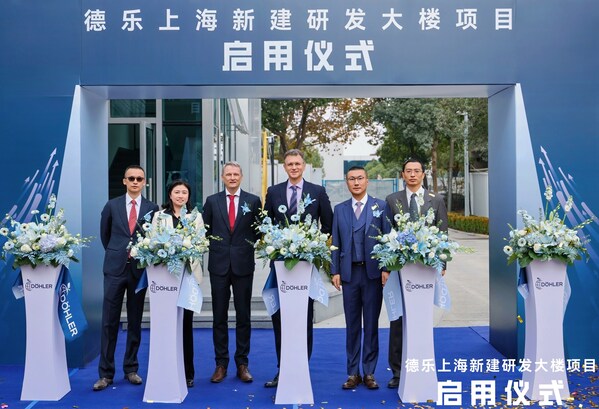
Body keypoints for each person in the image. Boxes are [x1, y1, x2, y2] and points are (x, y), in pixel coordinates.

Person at [263, 149, 333, 388]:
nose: (294, 167)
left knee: (304, 317)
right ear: (284, 167)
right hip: (281, 266)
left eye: (297, 163)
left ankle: (302, 366)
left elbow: (328, 225)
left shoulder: (317, 191)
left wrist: (314, 245)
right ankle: (282, 368)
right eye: (289, 164)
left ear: (303, 166)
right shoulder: (273, 192)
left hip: (306, 266)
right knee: (280, 318)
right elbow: (266, 225)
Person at [383, 158, 448, 389]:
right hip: (400, 270)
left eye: (416, 171)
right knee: (398, 318)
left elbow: (442, 233)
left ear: (423, 174)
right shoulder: (392, 200)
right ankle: (398, 371)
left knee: (421, 317)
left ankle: (422, 365)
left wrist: (442, 264)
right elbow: (386, 235)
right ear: (402, 175)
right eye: (408, 171)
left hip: (426, 269)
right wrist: (386, 267)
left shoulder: (436, 199)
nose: (412, 174)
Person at [94, 165, 159, 391]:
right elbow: (105, 235)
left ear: (144, 182)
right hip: (114, 269)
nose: (135, 182)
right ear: (124, 181)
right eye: (131, 178)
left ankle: (131, 368)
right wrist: (117, 252)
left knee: (135, 320)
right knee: (109, 321)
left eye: (139, 178)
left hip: (138, 270)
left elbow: (153, 236)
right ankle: (105, 373)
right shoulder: (111, 205)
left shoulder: (152, 208)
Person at [202, 162, 262, 384]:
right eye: (228, 174)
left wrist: (243, 246)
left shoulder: (253, 201)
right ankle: (221, 364)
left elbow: (258, 230)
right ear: (222, 177)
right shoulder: (212, 201)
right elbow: (205, 230)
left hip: (243, 264)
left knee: (243, 316)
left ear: (241, 176)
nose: (232, 177)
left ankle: (242, 364)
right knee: (219, 316)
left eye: (236, 174)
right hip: (218, 265)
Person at [331, 166, 386, 390]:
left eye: (360, 178)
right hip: (349, 274)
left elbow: (386, 238)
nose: (356, 182)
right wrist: (334, 270)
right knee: (352, 324)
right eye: (352, 179)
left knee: (371, 324)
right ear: (347, 182)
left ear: (367, 181)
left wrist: (386, 268)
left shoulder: (380, 206)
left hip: (372, 274)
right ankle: (353, 372)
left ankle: (369, 372)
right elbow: (335, 242)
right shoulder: (340, 209)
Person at [151, 180, 203, 388]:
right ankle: (165, 369)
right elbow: (153, 242)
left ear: (188, 196)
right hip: (165, 279)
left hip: (188, 277)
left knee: (185, 325)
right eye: (177, 192)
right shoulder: (159, 216)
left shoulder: (195, 217)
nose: (181, 195)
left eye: (184, 192)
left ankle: (187, 372)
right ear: (170, 195)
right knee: (165, 324)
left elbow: (200, 244)